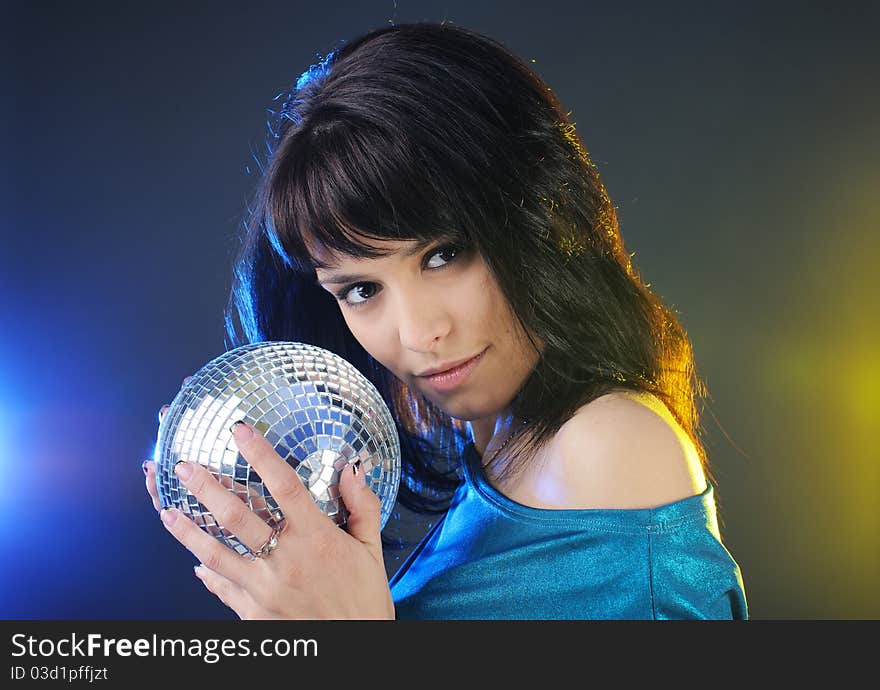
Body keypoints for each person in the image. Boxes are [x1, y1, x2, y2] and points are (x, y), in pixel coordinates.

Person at [143, 21, 748, 620]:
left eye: (444, 254)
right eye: (360, 289)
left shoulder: (608, 447)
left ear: (540, 214)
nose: (417, 334)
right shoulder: (494, 449)